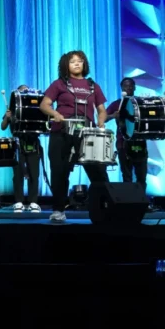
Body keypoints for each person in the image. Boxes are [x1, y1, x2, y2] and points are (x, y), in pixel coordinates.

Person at [40, 50, 109, 223]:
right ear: (66, 65)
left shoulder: (93, 85)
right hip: (62, 132)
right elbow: (45, 105)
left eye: (80, 61)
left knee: (98, 172)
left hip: (86, 134)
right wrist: (55, 114)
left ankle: (106, 208)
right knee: (60, 172)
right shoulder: (58, 84)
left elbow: (102, 110)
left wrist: (101, 122)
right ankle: (58, 210)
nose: (77, 64)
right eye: (73, 62)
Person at [0, 84, 42, 213]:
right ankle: (18, 201)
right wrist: (7, 117)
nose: (25, 93)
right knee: (17, 174)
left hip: (33, 143)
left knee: (34, 174)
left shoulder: (36, 109)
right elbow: (3, 126)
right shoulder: (12, 109)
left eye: (27, 91)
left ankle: (33, 202)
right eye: (22, 91)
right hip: (18, 144)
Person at [106, 77, 148, 188]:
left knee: (142, 176)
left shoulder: (140, 103)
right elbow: (102, 117)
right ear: (121, 88)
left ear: (135, 87)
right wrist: (113, 115)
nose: (128, 88)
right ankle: (128, 203)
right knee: (127, 176)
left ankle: (141, 203)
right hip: (123, 143)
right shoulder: (117, 104)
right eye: (126, 86)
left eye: (130, 86)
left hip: (140, 142)